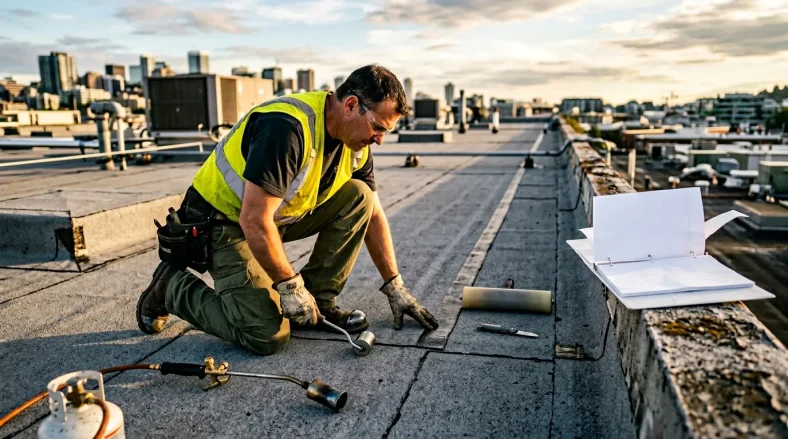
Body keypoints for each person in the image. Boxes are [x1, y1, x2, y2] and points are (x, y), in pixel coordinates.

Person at [135, 65, 439, 355]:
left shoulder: (356, 145)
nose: (379, 140)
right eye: (377, 127)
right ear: (350, 105)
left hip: (270, 219)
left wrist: (395, 285)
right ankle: (170, 287)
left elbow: (372, 215)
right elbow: (253, 219)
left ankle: (318, 300)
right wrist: (289, 286)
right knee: (266, 336)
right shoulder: (287, 127)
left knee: (361, 196)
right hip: (222, 224)